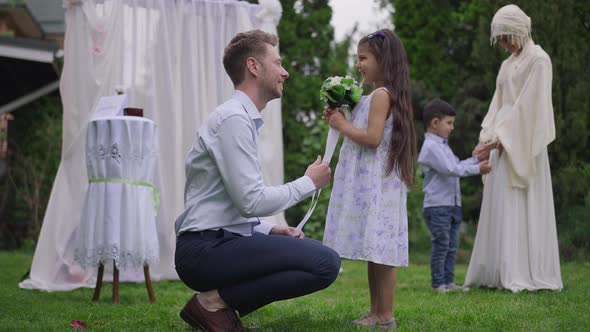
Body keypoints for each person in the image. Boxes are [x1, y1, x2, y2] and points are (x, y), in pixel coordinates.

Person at [174, 30, 341, 331]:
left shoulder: (239, 119)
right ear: (253, 66)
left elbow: (230, 202)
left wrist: (271, 229)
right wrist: (308, 182)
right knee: (325, 262)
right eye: (277, 63)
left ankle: (215, 304)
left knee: (324, 263)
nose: (285, 72)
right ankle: (210, 303)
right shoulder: (233, 120)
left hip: (218, 242)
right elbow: (250, 201)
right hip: (203, 251)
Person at [322, 29, 416, 329]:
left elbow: (373, 138)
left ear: (383, 60)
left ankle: (385, 314)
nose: (358, 64)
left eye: (363, 58)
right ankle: (375, 311)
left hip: (378, 186)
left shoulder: (381, 95)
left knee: (382, 252)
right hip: (374, 185)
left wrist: (342, 125)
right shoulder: (374, 95)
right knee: (373, 250)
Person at [465, 4, 563, 292]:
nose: (505, 45)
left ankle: (522, 271)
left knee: (520, 201)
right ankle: (498, 270)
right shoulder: (506, 64)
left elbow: (530, 106)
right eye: (501, 39)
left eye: (507, 37)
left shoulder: (539, 60)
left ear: (519, 31)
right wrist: (486, 137)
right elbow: (499, 103)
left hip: (522, 141)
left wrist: (501, 139)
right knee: (501, 204)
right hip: (501, 138)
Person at [417, 98, 492, 293]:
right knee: (441, 245)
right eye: (449, 123)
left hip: (452, 204)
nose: (452, 128)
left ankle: (449, 282)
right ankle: (438, 284)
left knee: (452, 245)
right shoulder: (431, 147)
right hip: (438, 205)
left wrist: (476, 159)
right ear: (435, 123)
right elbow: (452, 169)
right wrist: (478, 168)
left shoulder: (442, 145)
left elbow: (458, 165)